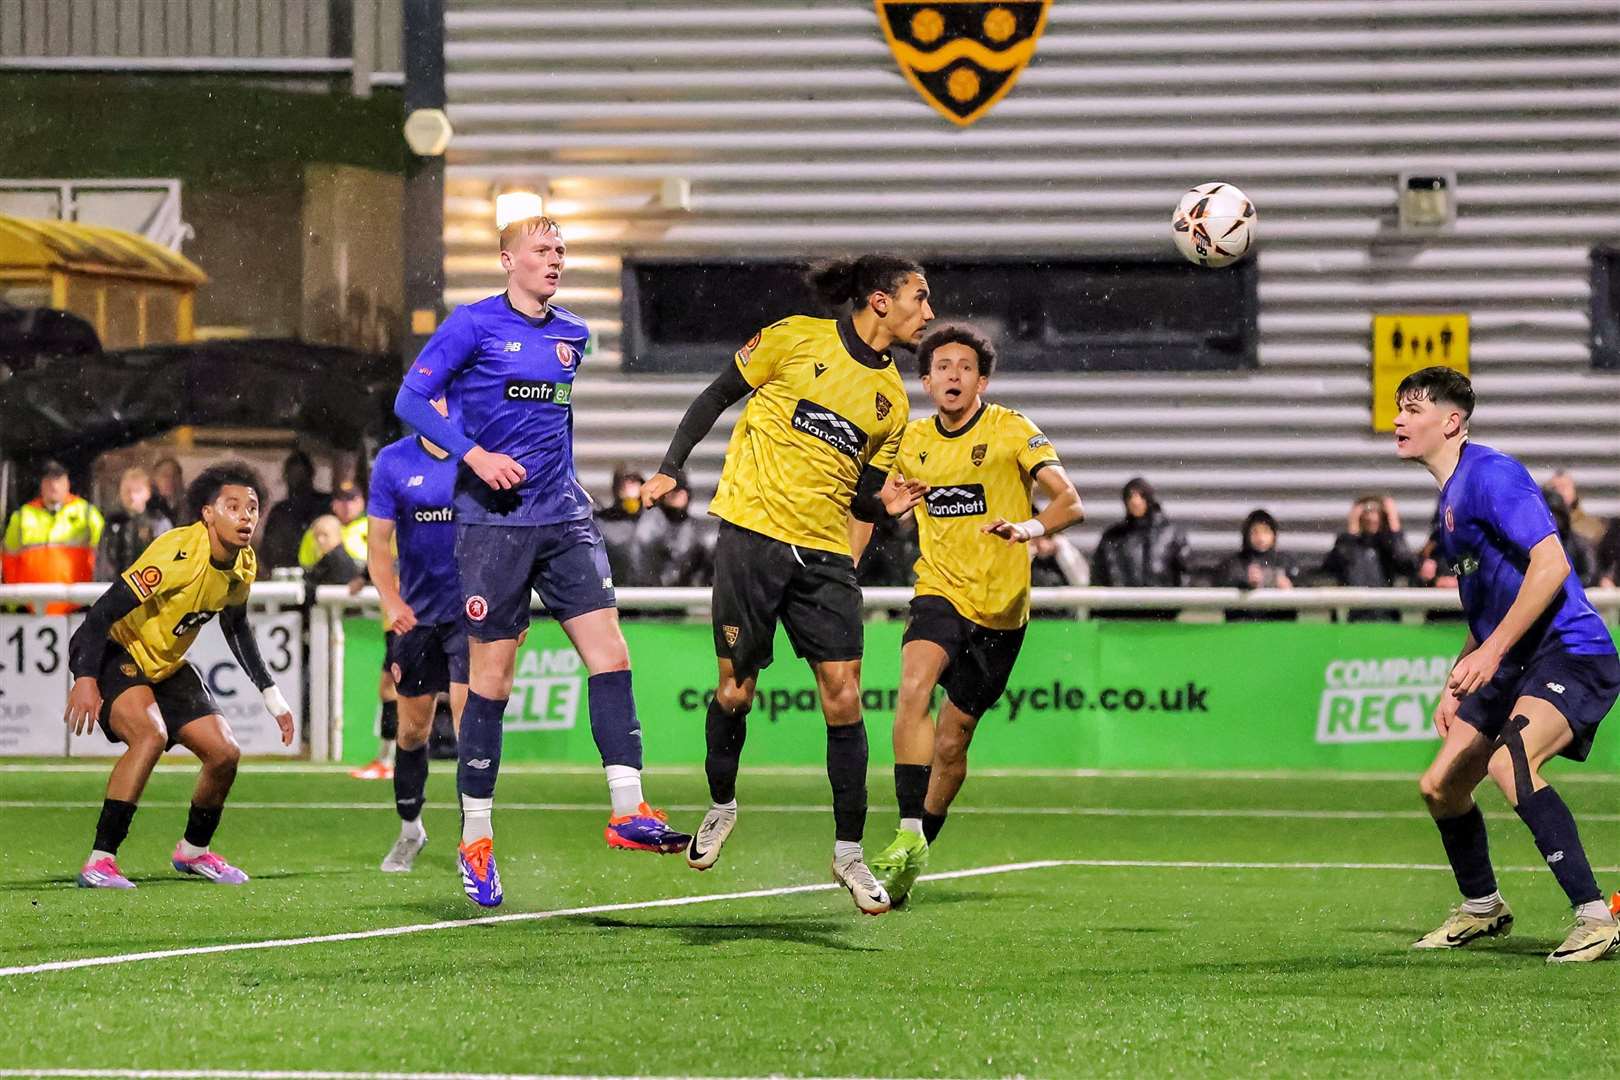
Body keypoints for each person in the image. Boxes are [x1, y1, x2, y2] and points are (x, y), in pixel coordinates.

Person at [394, 213, 689, 909]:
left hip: (563, 518)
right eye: (541, 249)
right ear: (507, 261)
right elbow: (411, 399)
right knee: (490, 683)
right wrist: (473, 454)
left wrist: (570, 480)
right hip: (492, 528)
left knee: (611, 655)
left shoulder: (573, 334)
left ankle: (628, 809)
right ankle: (475, 839)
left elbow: (555, 423)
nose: (554, 259)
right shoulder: (471, 326)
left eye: (561, 249)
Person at [642, 253, 935, 916]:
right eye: (920, 297)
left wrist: (883, 508)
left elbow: (861, 495)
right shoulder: (794, 337)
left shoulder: (892, 403)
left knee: (845, 698)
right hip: (750, 535)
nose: (929, 312)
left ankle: (849, 854)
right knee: (735, 692)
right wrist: (670, 467)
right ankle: (720, 807)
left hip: (827, 554)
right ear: (879, 300)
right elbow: (717, 394)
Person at [1395, 367, 1620, 963]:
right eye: (1399, 408)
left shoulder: (1492, 474)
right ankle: (1481, 906)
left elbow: (1551, 567)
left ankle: (1596, 917)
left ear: (1452, 422)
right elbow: (1487, 607)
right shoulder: (1449, 497)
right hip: (1512, 657)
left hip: (1571, 650)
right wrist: (1457, 677)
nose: (1398, 419)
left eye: (1414, 410)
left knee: (1510, 764)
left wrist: (1492, 653)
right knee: (1439, 787)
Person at [865, 324, 1083, 905]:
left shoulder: (1012, 429)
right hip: (939, 591)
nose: (953, 375)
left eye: (965, 367)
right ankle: (906, 829)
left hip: (1002, 610)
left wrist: (1028, 527)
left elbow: (1070, 502)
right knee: (912, 689)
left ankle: (919, 846)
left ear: (981, 380)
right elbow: (873, 505)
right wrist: (880, 512)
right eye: (942, 367)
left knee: (954, 741)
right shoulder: (911, 442)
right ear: (927, 380)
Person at [64, 462, 295, 889]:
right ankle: (101, 860)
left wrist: (271, 695)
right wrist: (85, 676)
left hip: (165, 666)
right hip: (118, 651)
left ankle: (193, 851)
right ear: (208, 513)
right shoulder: (177, 553)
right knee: (149, 735)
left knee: (224, 752)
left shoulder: (244, 562)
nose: (246, 516)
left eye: (253, 508)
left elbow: (236, 626)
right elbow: (102, 613)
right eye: (233, 507)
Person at [368, 401, 468, 873]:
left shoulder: (480, 453)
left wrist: (514, 608)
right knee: (413, 730)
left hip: (474, 616)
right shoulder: (393, 461)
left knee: (474, 727)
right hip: (417, 620)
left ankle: (476, 841)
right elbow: (377, 546)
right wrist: (392, 602)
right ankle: (411, 829)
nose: (442, 403)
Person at [3, 460, 105, 614]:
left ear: (68, 483)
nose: (54, 486)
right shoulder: (23, 515)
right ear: (41, 485)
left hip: (78, 605)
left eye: (59, 480)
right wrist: (13, 603)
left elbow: (104, 556)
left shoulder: (87, 513)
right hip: (31, 607)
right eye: (49, 481)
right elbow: (8, 559)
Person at [1091, 477, 1188, 587]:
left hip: (1162, 602)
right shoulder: (1113, 538)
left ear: (1149, 499)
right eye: (1130, 496)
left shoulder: (1170, 534)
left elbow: (1184, 575)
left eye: (1141, 496)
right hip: (1122, 602)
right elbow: (1099, 575)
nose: (1135, 502)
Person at [630, 468, 713, 588]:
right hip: (654, 598)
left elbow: (705, 573)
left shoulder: (696, 529)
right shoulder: (650, 526)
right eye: (672, 491)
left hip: (687, 598)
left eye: (680, 490)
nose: (677, 494)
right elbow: (644, 571)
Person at [96, 467, 171, 583]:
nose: (131, 496)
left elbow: (166, 560)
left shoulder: (158, 522)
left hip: (150, 587)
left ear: (148, 492)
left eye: (137, 491)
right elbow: (104, 563)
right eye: (127, 491)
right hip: (117, 589)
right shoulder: (112, 523)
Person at [259, 450, 329, 571]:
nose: (297, 482)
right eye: (293, 477)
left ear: (310, 475)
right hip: (285, 577)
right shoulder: (280, 512)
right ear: (286, 477)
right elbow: (268, 553)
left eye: (301, 477)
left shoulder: (324, 505)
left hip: (322, 576)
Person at [595, 464, 645, 587]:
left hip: (652, 597)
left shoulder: (655, 520)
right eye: (625, 482)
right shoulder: (604, 522)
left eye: (634, 481)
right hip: (618, 594)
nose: (629, 487)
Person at [1541, 486, 1599, 588]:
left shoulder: (1578, 543)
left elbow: (1591, 575)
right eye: (1549, 515)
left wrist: (1569, 588)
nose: (1554, 521)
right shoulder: (1528, 544)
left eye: (1557, 515)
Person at [1545, 470, 1607, 549]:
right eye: (1555, 488)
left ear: (1574, 491)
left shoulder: (1592, 527)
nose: (1560, 492)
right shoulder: (1544, 524)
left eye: (1564, 487)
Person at [148, 456, 185, 525]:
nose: (170, 480)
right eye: (165, 475)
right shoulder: (146, 508)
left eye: (174, 475)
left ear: (180, 479)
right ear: (154, 479)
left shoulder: (188, 506)